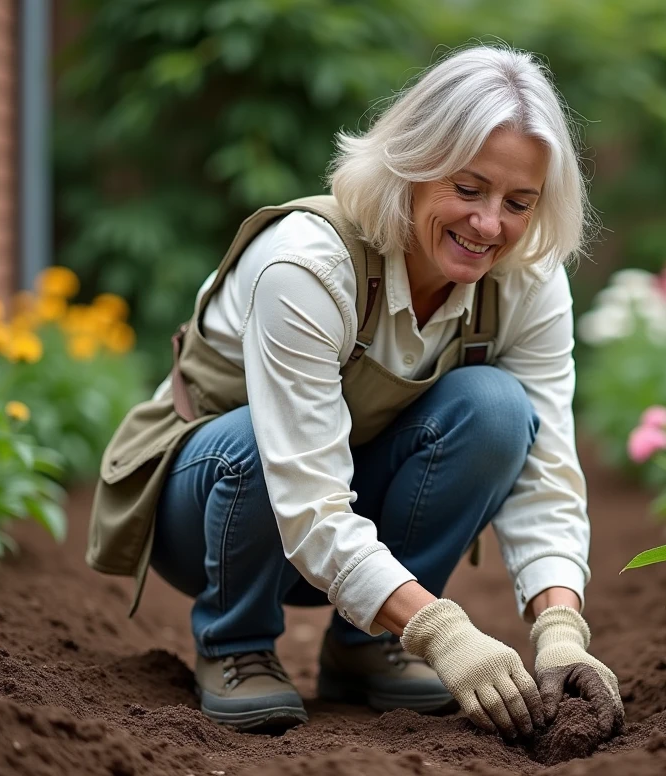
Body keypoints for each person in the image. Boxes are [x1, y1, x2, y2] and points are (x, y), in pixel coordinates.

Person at [86, 45, 623, 740]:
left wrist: (559, 627)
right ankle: (235, 643)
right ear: (413, 166)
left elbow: (545, 468)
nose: (490, 225)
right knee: (251, 438)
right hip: (214, 511)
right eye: (468, 189)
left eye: (517, 202)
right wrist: (443, 629)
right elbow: (305, 497)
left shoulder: (526, 278)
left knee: (498, 410)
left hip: (348, 508)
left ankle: (371, 644)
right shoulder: (307, 264)